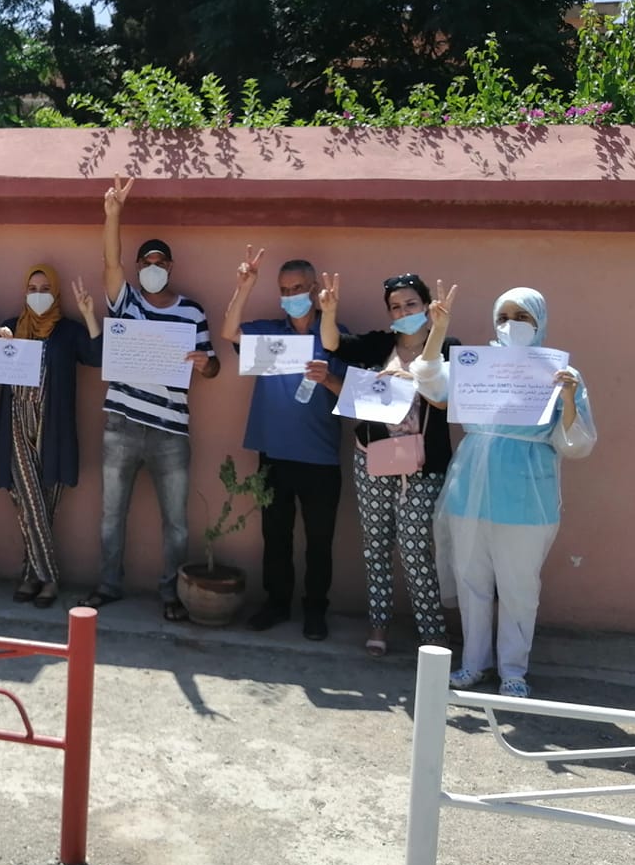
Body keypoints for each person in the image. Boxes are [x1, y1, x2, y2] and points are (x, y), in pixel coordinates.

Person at [413, 285, 596, 698]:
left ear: (540, 321)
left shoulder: (560, 374)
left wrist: (568, 398)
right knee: (471, 580)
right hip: (470, 488)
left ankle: (514, 670)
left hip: (526, 495)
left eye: (523, 317)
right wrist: (438, 330)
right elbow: (430, 382)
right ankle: (474, 663)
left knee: (519, 588)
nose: (512, 325)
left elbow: (576, 444)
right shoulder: (479, 365)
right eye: (504, 317)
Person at [81, 176, 220, 622]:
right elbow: (110, 261)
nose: (153, 267)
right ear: (138, 266)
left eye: (160, 262)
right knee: (111, 514)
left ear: (170, 266)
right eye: (146, 262)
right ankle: (108, 584)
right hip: (121, 424)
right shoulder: (127, 304)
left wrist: (205, 364)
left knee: (175, 522)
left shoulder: (192, 311)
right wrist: (113, 215)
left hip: (170, 430)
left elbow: (213, 366)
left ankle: (171, 593)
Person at [318, 272, 458, 656]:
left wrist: (411, 375)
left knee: (415, 549)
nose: (403, 312)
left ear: (427, 306)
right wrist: (328, 312)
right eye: (395, 307)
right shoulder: (380, 344)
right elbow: (333, 345)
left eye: (411, 304)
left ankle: (432, 633)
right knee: (376, 546)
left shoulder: (448, 348)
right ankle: (378, 625)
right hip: (373, 457)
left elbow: (444, 401)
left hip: (423, 465)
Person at [219, 247, 345, 640]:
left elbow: (351, 394)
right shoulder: (269, 332)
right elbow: (229, 334)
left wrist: (328, 379)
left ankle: (315, 610)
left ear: (314, 288)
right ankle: (277, 603)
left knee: (320, 540)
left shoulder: (335, 334)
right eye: (284, 289)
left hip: (321, 457)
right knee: (275, 536)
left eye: (298, 288)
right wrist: (243, 287)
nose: (291, 295)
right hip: (274, 453)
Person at [0, 266, 103, 608]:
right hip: (15, 422)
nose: (37, 294)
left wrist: (89, 314)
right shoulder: (12, 326)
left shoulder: (68, 331)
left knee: (43, 504)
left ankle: (30, 574)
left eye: (44, 288)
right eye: (32, 288)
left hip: (53, 427)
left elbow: (97, 356)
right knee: (28, 498)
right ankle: (50, 578)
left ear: (55, 294)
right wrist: (0, 343)